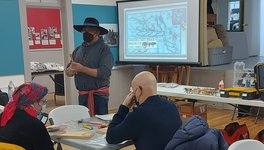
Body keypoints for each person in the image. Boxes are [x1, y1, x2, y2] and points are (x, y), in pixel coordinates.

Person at [106, 71, 182, 150]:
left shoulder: (139, 114)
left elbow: (111, 137)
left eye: (133, 92)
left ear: (138, 91)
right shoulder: (172, 106)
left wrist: (124, 107)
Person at [66, 17, 114, 116]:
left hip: (99, 96)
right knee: (84, 124)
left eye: (90, 30)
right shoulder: (78, 50)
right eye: (85, 30)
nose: (86, 32)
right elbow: (69, 69)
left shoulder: (105, 50)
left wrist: (82, 69)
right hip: (83, 95)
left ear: (97, 32)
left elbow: (104, 72)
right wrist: (69, 71)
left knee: (101, 124)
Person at [0, 82, 54, 150]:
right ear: (32, 103)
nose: (43, 106)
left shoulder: (5, 115)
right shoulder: (35, 125)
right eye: (43, 102)